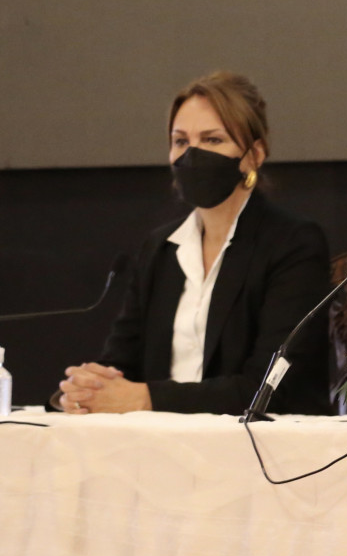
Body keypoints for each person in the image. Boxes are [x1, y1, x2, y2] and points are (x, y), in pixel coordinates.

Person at [58, 71, 332, 416]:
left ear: (254, 154)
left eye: (212, 140)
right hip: (160, 440)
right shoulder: (161, 248)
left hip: (259, 443)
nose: (192, 155)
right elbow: (121, 364)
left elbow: (269, 387)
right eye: (181, 141)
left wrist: (145, 399)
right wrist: (88, 389)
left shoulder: (293, 244)